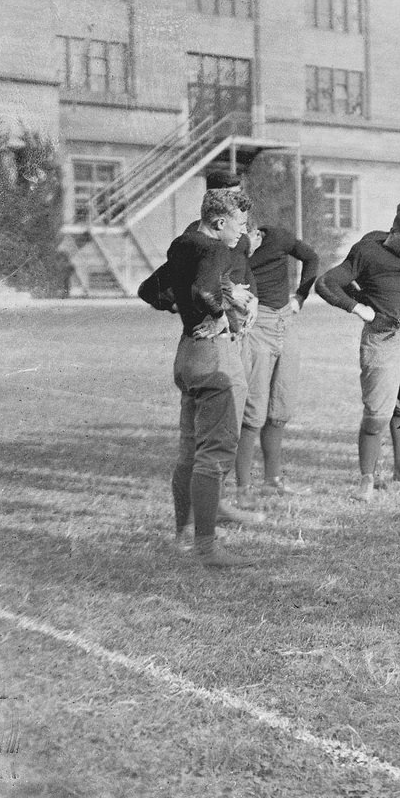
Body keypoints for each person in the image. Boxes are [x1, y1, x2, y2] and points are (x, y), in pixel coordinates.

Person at [160, 188, 257, 569]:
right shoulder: (216, 248)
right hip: (214, 354)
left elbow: (151, 290)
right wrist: (218, 312)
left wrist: (187, 312)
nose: (242, 233)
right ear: (220, 222)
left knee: (189, 452)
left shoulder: (182, 243)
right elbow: (204, 290)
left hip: (186, 353)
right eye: (240, 224)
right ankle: (206, 548)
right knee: (214, 455)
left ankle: (181, 537)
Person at [316, 204, 400, 503]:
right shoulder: (368, 251)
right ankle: (367, 480)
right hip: (382, 340)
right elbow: (326, 283)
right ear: (393, 231)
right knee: (377, 415)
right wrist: (359, 308)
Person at [233, 221, 319, 507]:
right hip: (257, 325)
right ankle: (243, 488)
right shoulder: (230, 246)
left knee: (281, 406)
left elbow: (311, 257)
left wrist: (301, 296)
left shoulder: (277, 235)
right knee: (254, 409)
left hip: (286, 320)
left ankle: (273, 480)